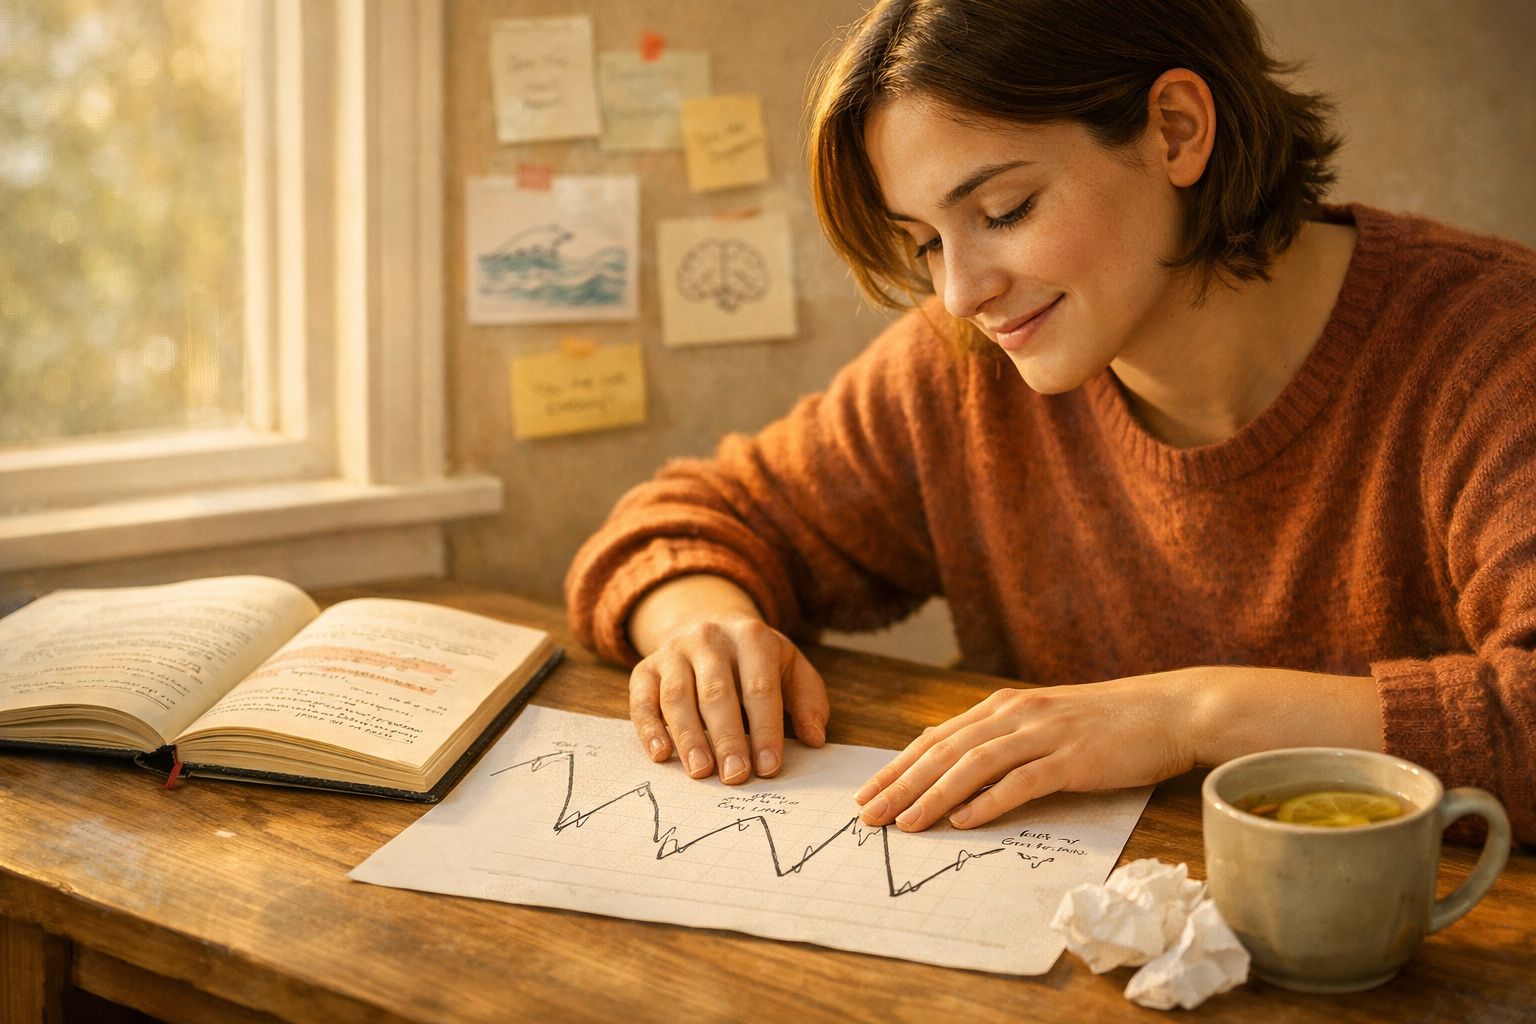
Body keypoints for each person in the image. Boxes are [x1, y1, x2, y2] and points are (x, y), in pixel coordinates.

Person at [565, 0, 1535, 846]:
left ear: (1177, 129)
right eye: (926, 243)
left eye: (1005, 207)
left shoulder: (1494, 349)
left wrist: (1187, 714)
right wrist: (703, 627)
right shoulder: (970, 368)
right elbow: (684, 522)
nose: (960, 293)